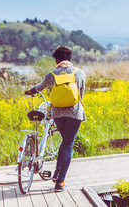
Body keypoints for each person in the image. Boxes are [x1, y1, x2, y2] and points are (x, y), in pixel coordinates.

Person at [25, 46, 86, 192]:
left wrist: (30, 91)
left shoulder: (51, 74)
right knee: (68, 144)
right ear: (69, 59)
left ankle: (58, 171)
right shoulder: (80, 73)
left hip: (58, 113)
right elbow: (81, 93)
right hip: (74, 113)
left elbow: (39, 87)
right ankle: (60, 182)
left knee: (65, 143)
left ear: (57, 60)